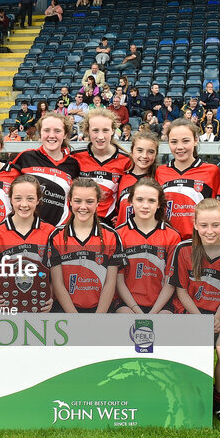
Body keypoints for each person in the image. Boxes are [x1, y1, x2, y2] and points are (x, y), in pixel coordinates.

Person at [168, 199, 220, 426]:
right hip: (191, 315)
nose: (210, 231)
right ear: (195, 224)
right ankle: (191, 398)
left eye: (215, 225)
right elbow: (180, 290)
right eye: (204, 225)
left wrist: (216, 319)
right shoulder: (183, 249)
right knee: (190, 350)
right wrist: (201, 321)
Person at [48, 179, 121, 314]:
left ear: (98, 202)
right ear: (69, 201)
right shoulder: (56, 236)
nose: (83, 206)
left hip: (102, 311)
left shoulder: (111, 235)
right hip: (65, 311)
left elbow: (111, 282)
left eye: (89, 201)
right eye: (77, 201)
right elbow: (58, 283)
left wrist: (98, 317)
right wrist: (76, 318)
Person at [0, 175, 55, 313]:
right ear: (11, 199)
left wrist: (51, 297)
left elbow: (55, 273)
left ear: (38, 200)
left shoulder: (50, 232)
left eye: (30, 198)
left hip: (40, 305)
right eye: (18, 198)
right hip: (8, 306)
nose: (24, 204)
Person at [114, 178, 180, 315]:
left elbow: (170, 281)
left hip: (161, 305)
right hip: (127, 304)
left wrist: (153, 313)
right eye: (139, 200)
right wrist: (136, 311)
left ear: (159, 204)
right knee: (125, 317)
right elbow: (118, 281)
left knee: (165, 320)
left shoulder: (172, 236)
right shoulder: (119, 234)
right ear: (131, 201)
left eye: (151, 201)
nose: (145, 205)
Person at [156, 119, 220, 239]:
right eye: (174, 142)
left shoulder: (212, 171)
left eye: (186, 141)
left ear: (196, 140)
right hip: (167, 242)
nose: (179, 147)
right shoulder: (160, 171)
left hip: (200, 242)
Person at [12, 112, 80, 227]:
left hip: (59, 231)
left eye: (57, 131)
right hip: (27, 230)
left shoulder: (73, 164)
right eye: (46, 130)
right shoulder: (26, 157)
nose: (52, 135)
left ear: (65, 134)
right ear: (40, 133)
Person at [73, 109, 131, 224]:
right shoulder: (75, 157)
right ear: (87, 131)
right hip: (78, 221)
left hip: (108, 224)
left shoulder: (126, 160)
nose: (100, 136)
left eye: (105, 130)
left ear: (113, 131)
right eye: (95, 130)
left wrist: (120, 216)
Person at [113, 130, 160, 226]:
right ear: (132, 151)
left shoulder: (159, 177)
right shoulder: (121, 176)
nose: (144, 156)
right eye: (140, 150)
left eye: (150, 152)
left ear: (156, 155)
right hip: (123, 235)